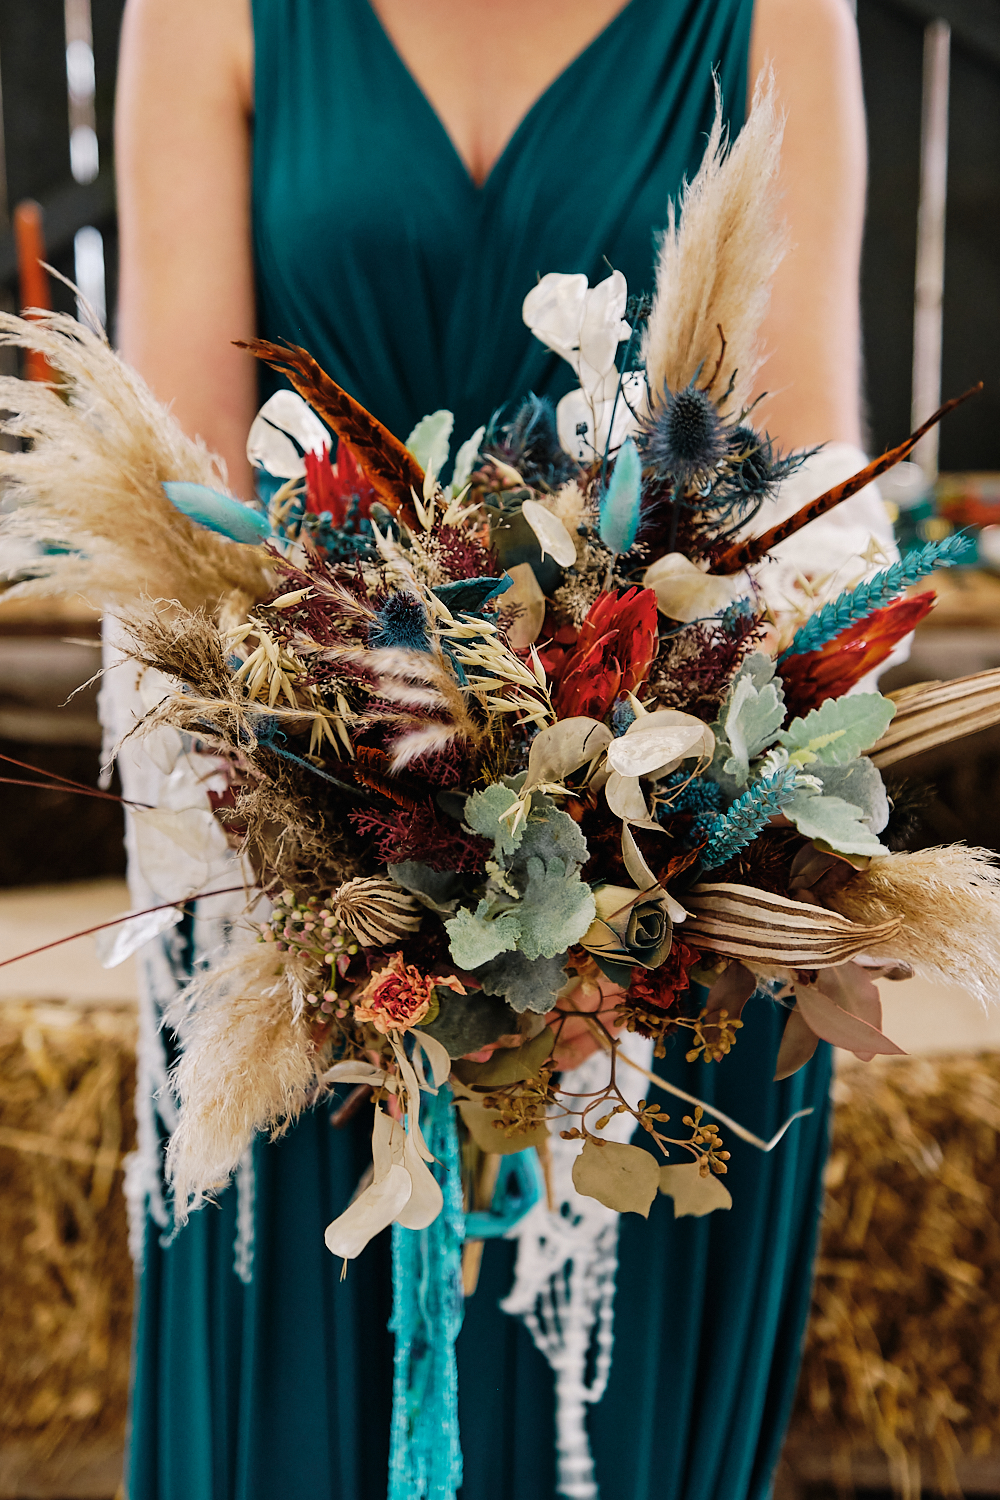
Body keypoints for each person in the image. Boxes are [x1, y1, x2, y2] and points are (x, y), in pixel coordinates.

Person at [112, 2, 875, 1496]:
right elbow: (170, 523)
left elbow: (818, 496)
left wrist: (618, 897)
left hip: (670, 939)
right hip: (307, 924)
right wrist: (343, 876)